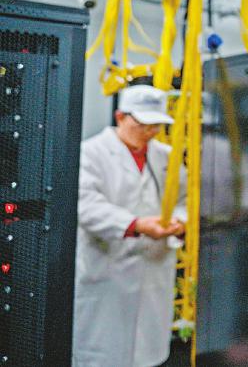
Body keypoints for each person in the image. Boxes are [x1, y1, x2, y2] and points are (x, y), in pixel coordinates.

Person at [73, 85, 186, 367]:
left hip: (154, 268)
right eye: (142, 124)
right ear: (120, 117)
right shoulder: (90, 153)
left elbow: (185, 198)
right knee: (102, 354)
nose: (150, 132)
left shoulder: (167, 156)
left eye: (156, 126)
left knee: (148, 354)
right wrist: (135, 225)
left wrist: (178, 221)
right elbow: (85, 204)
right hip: (107, 267)